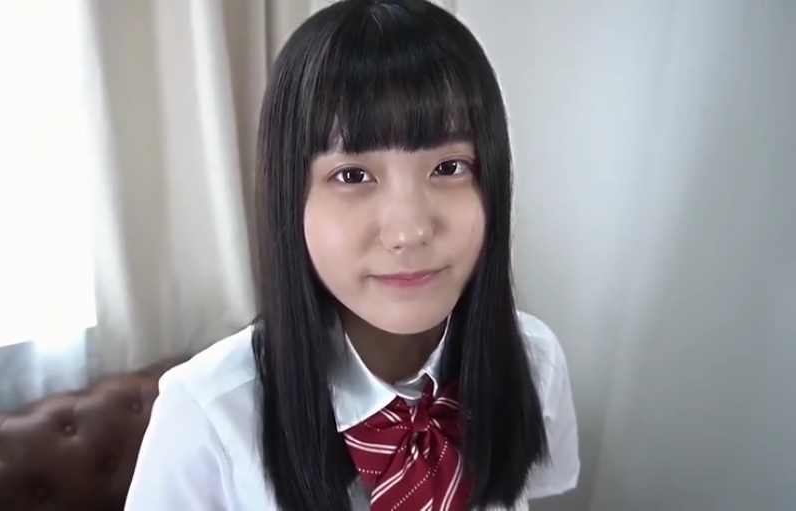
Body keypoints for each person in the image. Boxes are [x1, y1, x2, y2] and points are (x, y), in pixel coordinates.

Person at [125, 0, 579, 509]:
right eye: (352, 175)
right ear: (290, 198)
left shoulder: (534, 361)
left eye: (449, 167)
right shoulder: (206, 417)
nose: (409, 231)